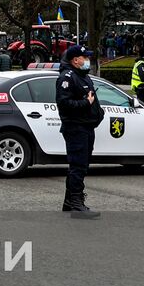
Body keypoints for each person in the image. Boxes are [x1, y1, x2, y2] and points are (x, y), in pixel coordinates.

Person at [55, 45, 103, 219]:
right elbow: (64, 104)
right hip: (76, 127)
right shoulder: (67, 78)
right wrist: (85, 103)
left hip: (86, 126)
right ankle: (76, 204)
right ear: (76, 60)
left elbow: (91, 100)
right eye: (85, 57)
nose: (87, 60)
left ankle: (69, 202)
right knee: (78, 166)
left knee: (81, 165)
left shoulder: (82, 76)